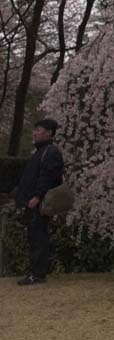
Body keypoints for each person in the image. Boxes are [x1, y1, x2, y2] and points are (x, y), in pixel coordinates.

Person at [13, 117, 64, 285]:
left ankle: (38, 274)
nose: (34, 133)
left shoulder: (50, 152)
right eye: (34, 130)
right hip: (32, 202)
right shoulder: (41, 152)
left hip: (38, 203)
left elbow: (47, 176)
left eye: (38, 130)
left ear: (49, 133)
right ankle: (36, 273)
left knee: (38, 236)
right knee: (34, 236)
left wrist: (37, 196)